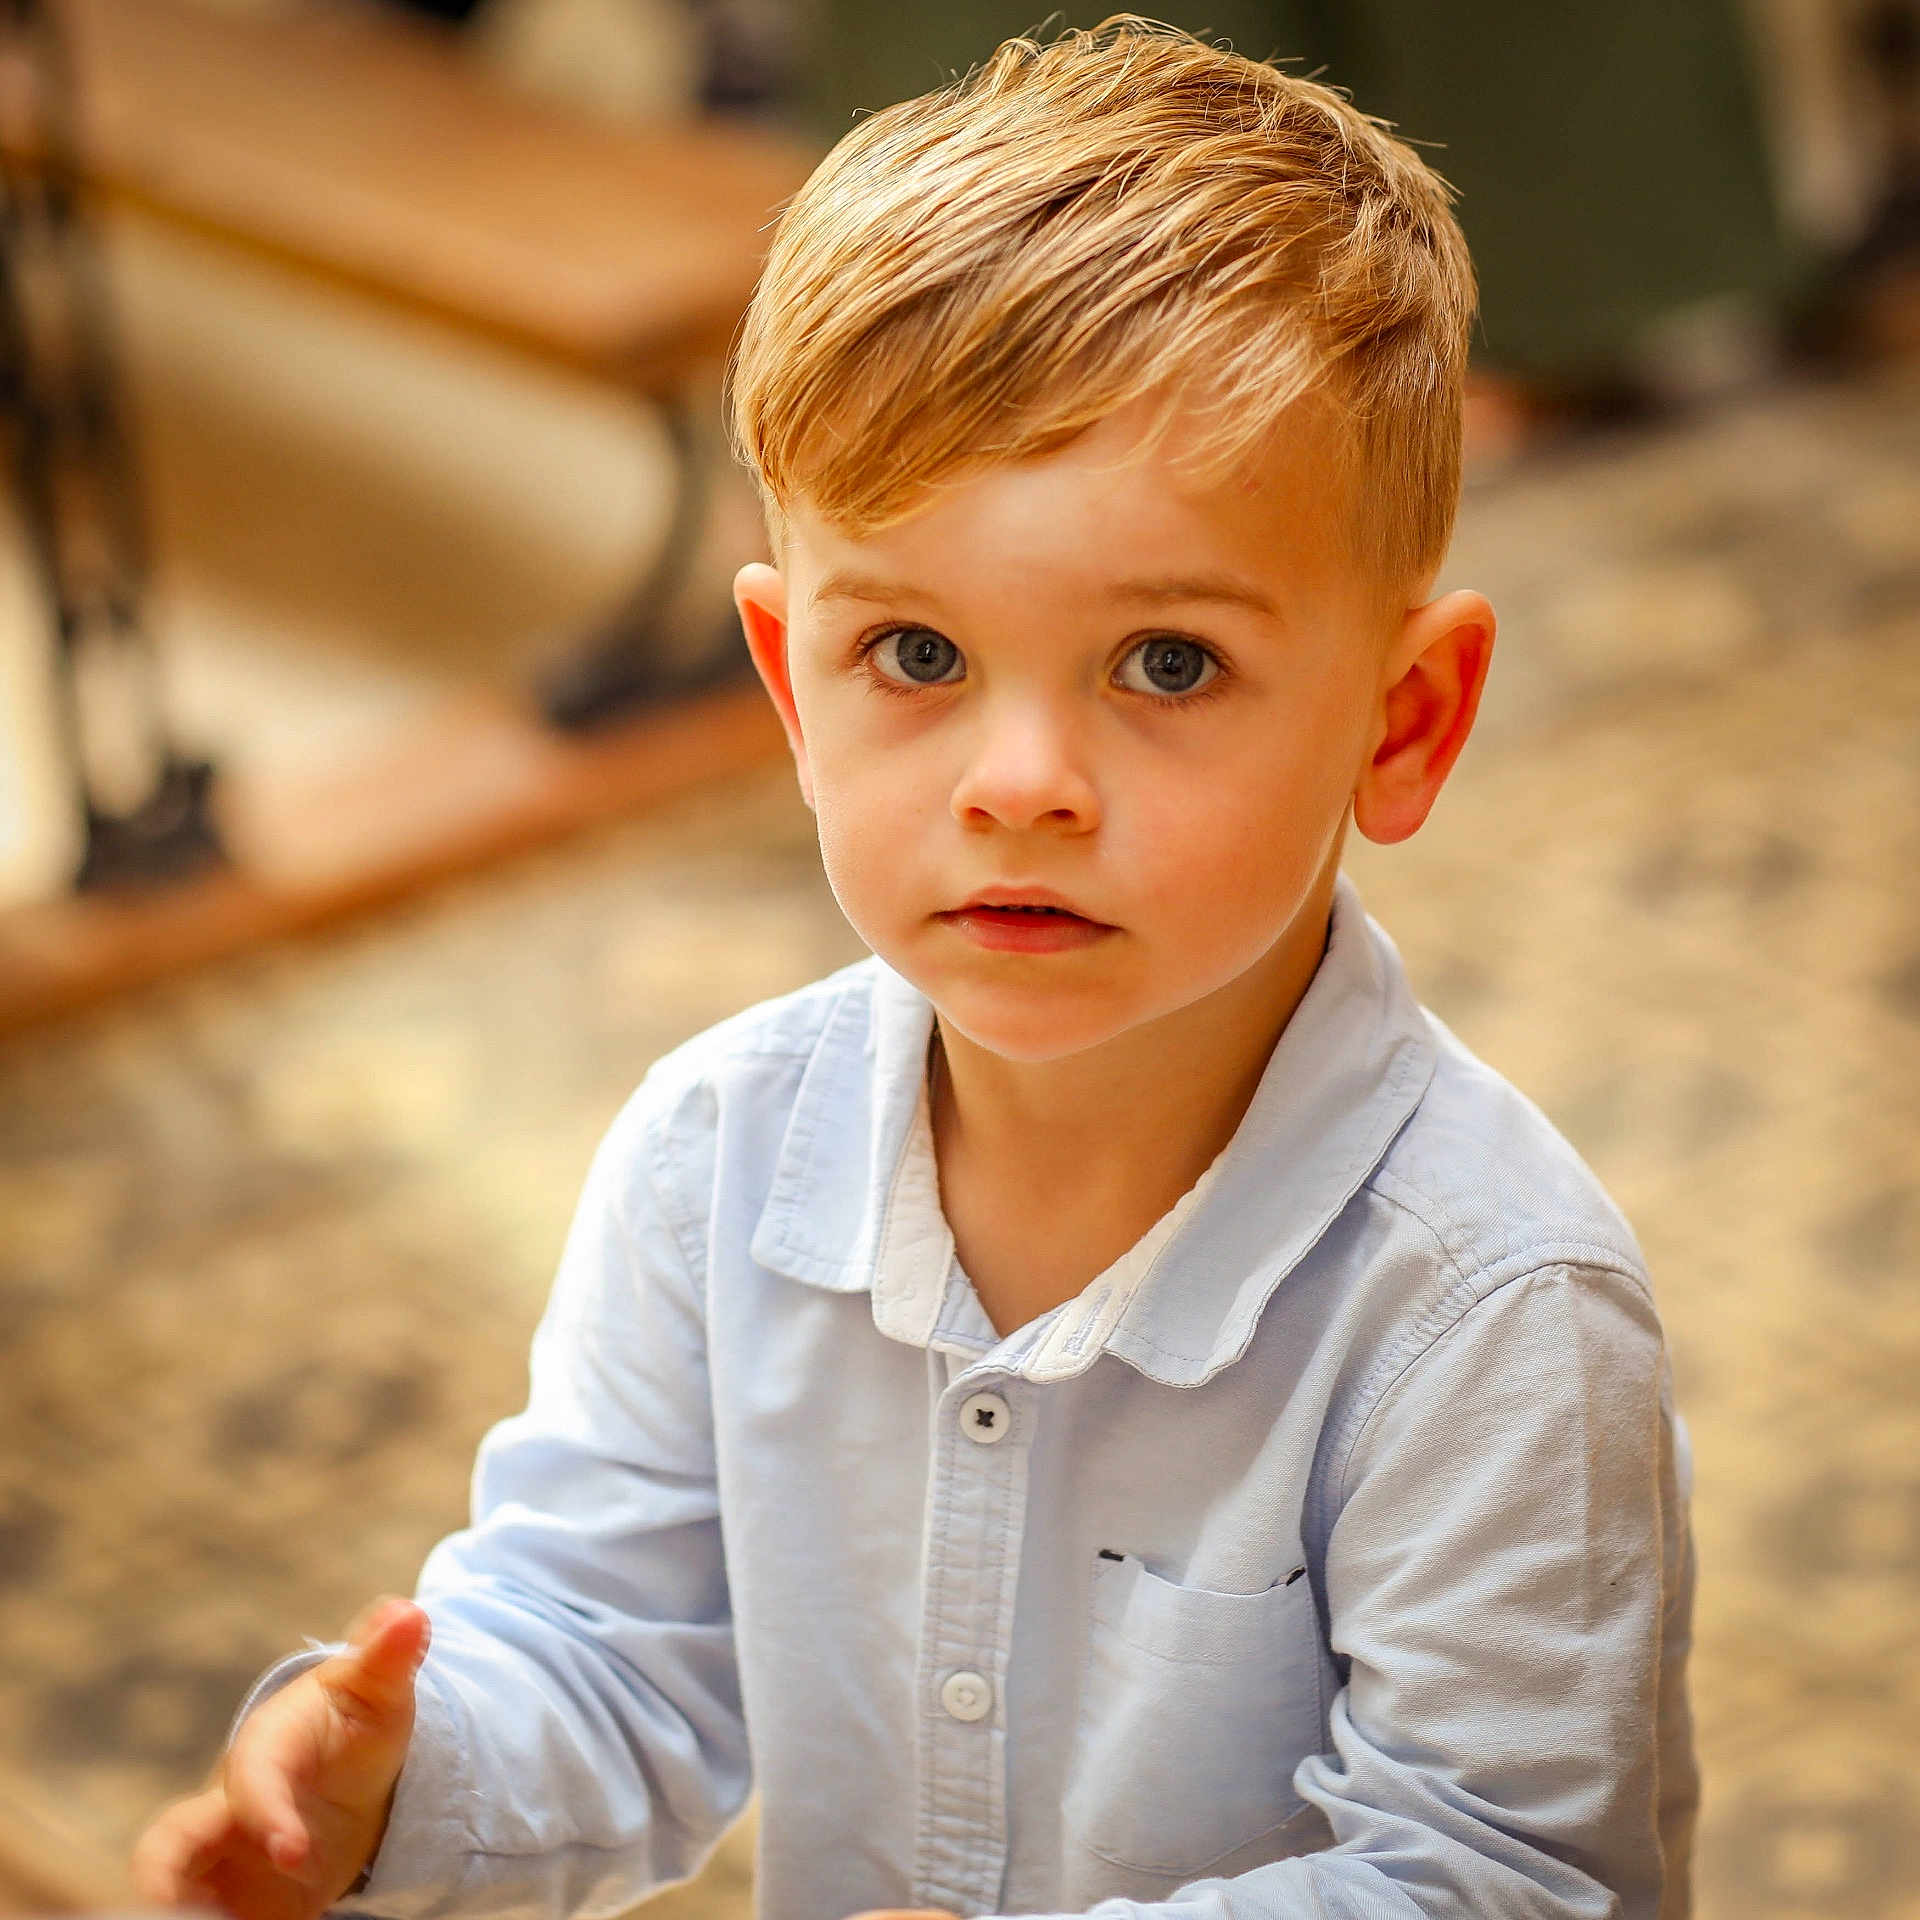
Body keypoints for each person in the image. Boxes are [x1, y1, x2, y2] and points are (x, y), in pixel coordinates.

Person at [131, 19, 1698, 1920]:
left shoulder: (1494, 1316)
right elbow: (606, 1658)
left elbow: (1503, 1878)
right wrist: (386, 1785)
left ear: (1407, 719)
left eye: (1168, 664)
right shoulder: (712, 1156)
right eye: (920, 659)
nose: (1020, 786)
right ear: (792, 690)